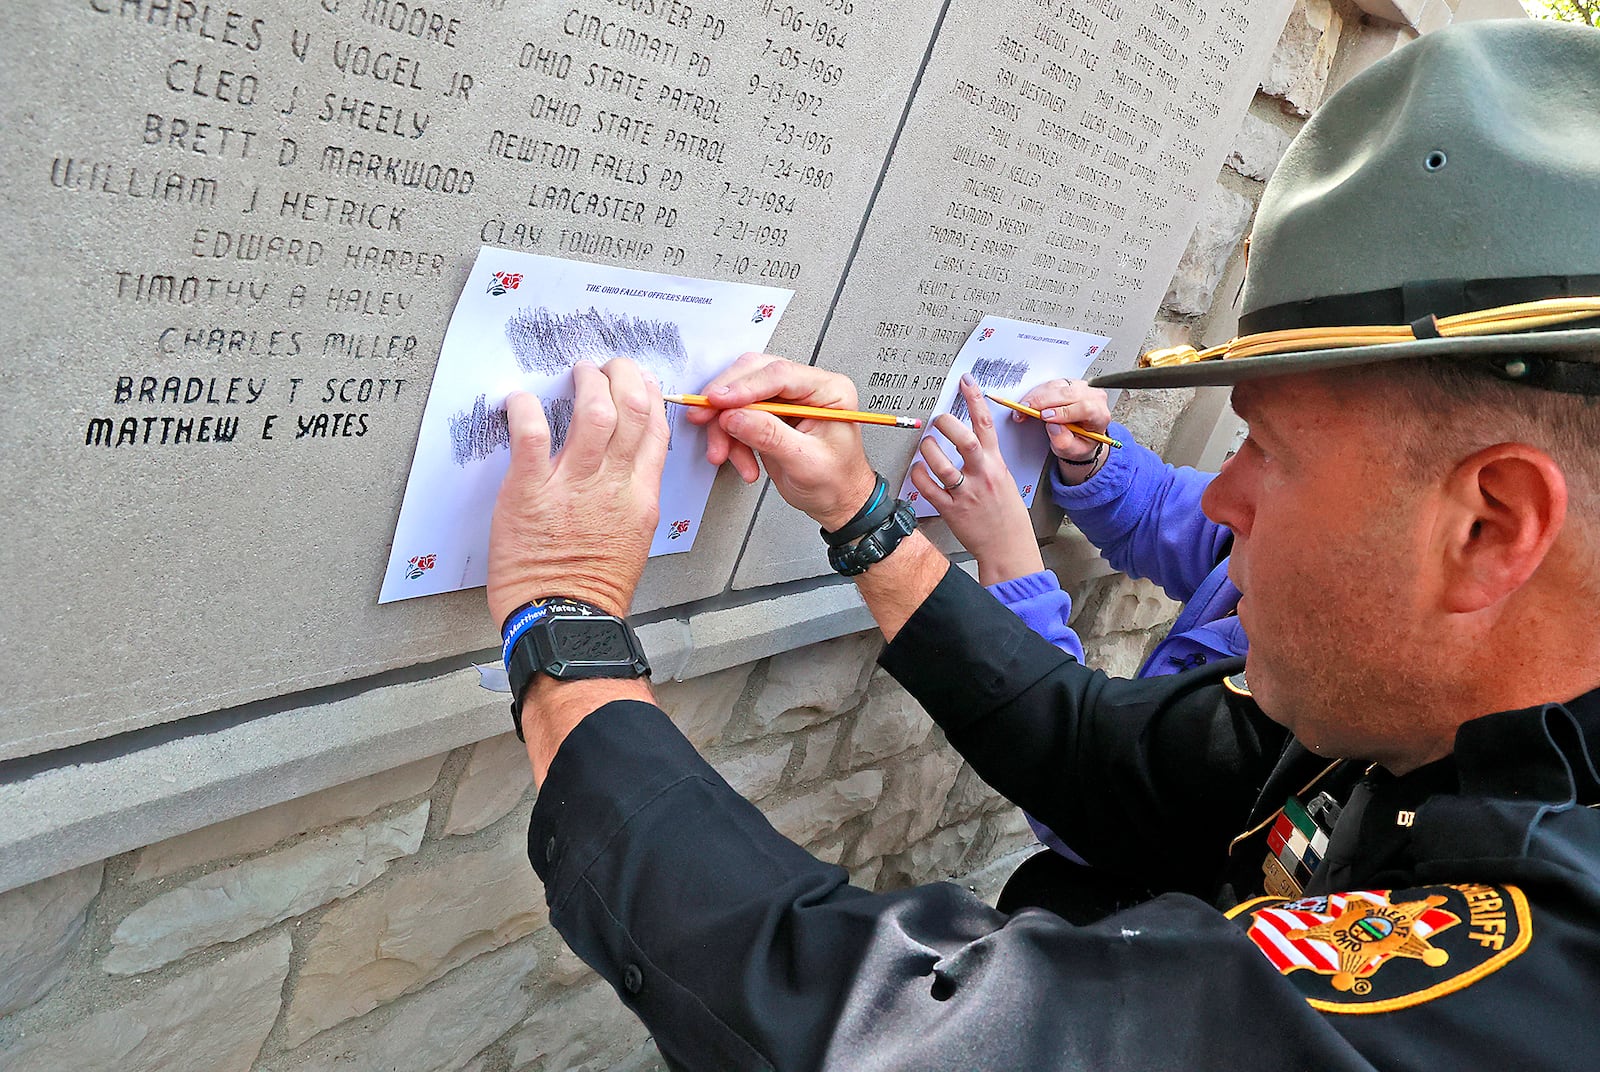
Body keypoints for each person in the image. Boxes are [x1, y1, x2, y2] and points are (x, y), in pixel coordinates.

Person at [492, 21, 1600, 1070]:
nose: (1217, 500)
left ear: (1486, 527)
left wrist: (567, 628)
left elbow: (907, 1039)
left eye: (1265, 447)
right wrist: (860, 511)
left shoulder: (1524, 991)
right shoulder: (1409, 710)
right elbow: (1098, 758)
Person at [908, 374, 1242, 916]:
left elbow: (1090, 784)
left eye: (1272, 451)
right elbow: (1181, 518)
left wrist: (1006, 552)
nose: (1226, 482)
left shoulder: (1295, 698)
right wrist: (1092, 461)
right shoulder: (1298, 546)